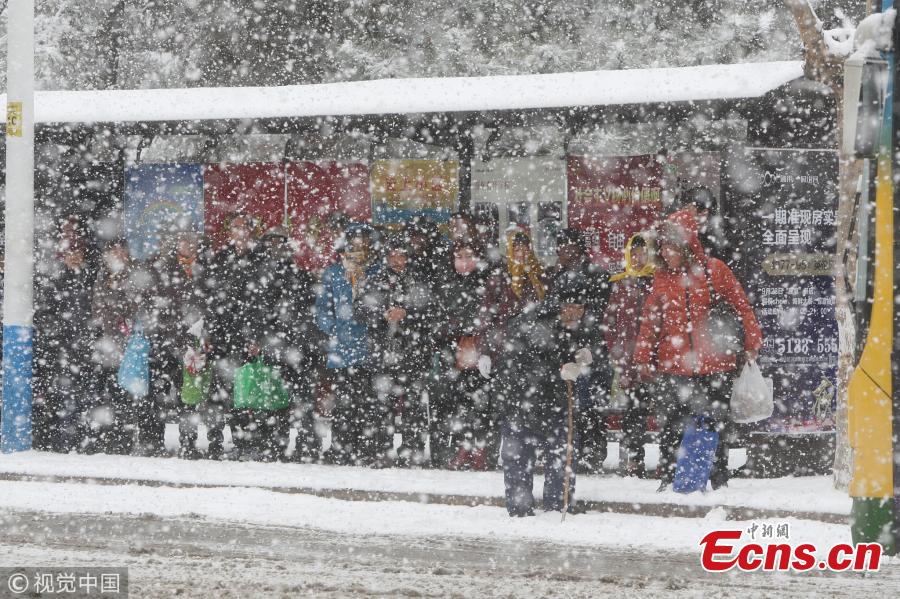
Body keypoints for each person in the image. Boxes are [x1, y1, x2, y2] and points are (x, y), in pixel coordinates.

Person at [633, 222, 762, 491]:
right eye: (663, 247)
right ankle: (670, 478)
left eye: (672, 246)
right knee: (671, 426)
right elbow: (650, 322)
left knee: (716, 426)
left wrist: (752, 342)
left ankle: (717, 478)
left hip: (715, 364)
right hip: (675, 366)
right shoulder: (662, 278)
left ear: (686, 246)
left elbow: (741, 306)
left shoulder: (715, 270)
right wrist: (643, 356)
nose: (667, 253)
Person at [494, 278, 606, 516]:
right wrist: (559, 371)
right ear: (558, 305)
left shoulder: (583, 327)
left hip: (558, 404)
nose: (574, 312)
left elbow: (599, 353)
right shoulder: (535, 324)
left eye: (579, 307)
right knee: (519, 459)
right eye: (569, 306)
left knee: (562, 456)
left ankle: (558, 506)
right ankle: (520, 510)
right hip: (521, 400)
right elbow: (522, 363)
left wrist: (589, 357)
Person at [243, 226, 320, 462]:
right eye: (271, 242)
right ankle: (273, 445)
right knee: (272, 400)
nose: (276, 247)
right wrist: (255, 338)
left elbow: (308, 312)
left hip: (297, 347)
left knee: (302, 400)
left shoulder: (300, 274)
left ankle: (307, 446)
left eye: (280, 242)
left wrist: (307, 340)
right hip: (272, 346)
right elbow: (253, 310)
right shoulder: (256, 274)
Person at [360, 233, 434, 467]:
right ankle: (381, 451)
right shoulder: (376, 280)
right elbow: (360, 309)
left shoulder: (419, 280)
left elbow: (432, 312)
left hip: (413, 350)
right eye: (392, 255)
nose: (396, 260)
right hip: (383, 351)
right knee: (381, 405)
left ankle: (411, 451)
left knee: (413, 403)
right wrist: (382, 314)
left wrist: (407, 314)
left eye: (401, 255)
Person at [315, 224, 382, 466]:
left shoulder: (377, 270)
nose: (358, 245)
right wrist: (332, 328)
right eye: (354, 240)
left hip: (369, 344)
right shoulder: (333, 272)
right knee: (343, 400)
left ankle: (367, 449)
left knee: (368, 401)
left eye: (363, 240)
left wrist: (376, 328)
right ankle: (342, 448)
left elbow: (382, 304)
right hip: (341, 346)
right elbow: (321, 308)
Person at [548, 228, 611, 472]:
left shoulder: (595, 274)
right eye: (561, 248)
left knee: (590, 404)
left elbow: (597, 312)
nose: (565, 252)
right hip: (563, 347)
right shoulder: (556, 275)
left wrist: (588, 343)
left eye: (570, 248)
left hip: (590, 348)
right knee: (570, 403)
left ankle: (593, 452)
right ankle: (575, 450)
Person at [205, 213, 265, 460]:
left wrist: (258, 337)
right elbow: (210, 297)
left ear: (250, 231)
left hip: (247, 335)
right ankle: (215, 441)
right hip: (222, 333)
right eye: (235, 228)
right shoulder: (220, 259)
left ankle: (246, 441)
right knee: (219, 392)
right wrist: (208, 333)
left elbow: (265, 301)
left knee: (247, 393)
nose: (239, 232)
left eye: (243, 227)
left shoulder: (260, 259)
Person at [33, 219, 96, 453]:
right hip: (62, 347)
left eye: (78, 253)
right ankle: (61, 441)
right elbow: (46, 312)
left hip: (86, 346)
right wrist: (56, 335)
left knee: (86, 396)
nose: (74, 257)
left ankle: (84, 440)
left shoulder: (91, 277)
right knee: (61, 395)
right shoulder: (55, 281)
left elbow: (96, 310)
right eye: (70, 253)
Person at [604, 233, 655, 477]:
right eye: (633, 254)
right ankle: (635, 460)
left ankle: (667, 459)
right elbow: (611, 326)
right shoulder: (620, 284)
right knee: (634, 411)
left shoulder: (656, 280)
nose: (637, 258)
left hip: (656, 359)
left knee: (662, 409)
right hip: (630, 361)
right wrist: (620, 359)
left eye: (642, 253)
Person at [88, 238, 143, 454]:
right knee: (108, 389)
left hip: (129, 341)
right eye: (114, 251)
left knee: (127, 390)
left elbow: (136, 302)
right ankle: (109, 434)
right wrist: (106, 318)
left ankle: (126, 435)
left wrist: (120, 314)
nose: (118, 255)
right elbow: (97, 305)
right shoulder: (104, 275)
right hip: (108, 341)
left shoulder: (136, 274)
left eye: (122, 251)